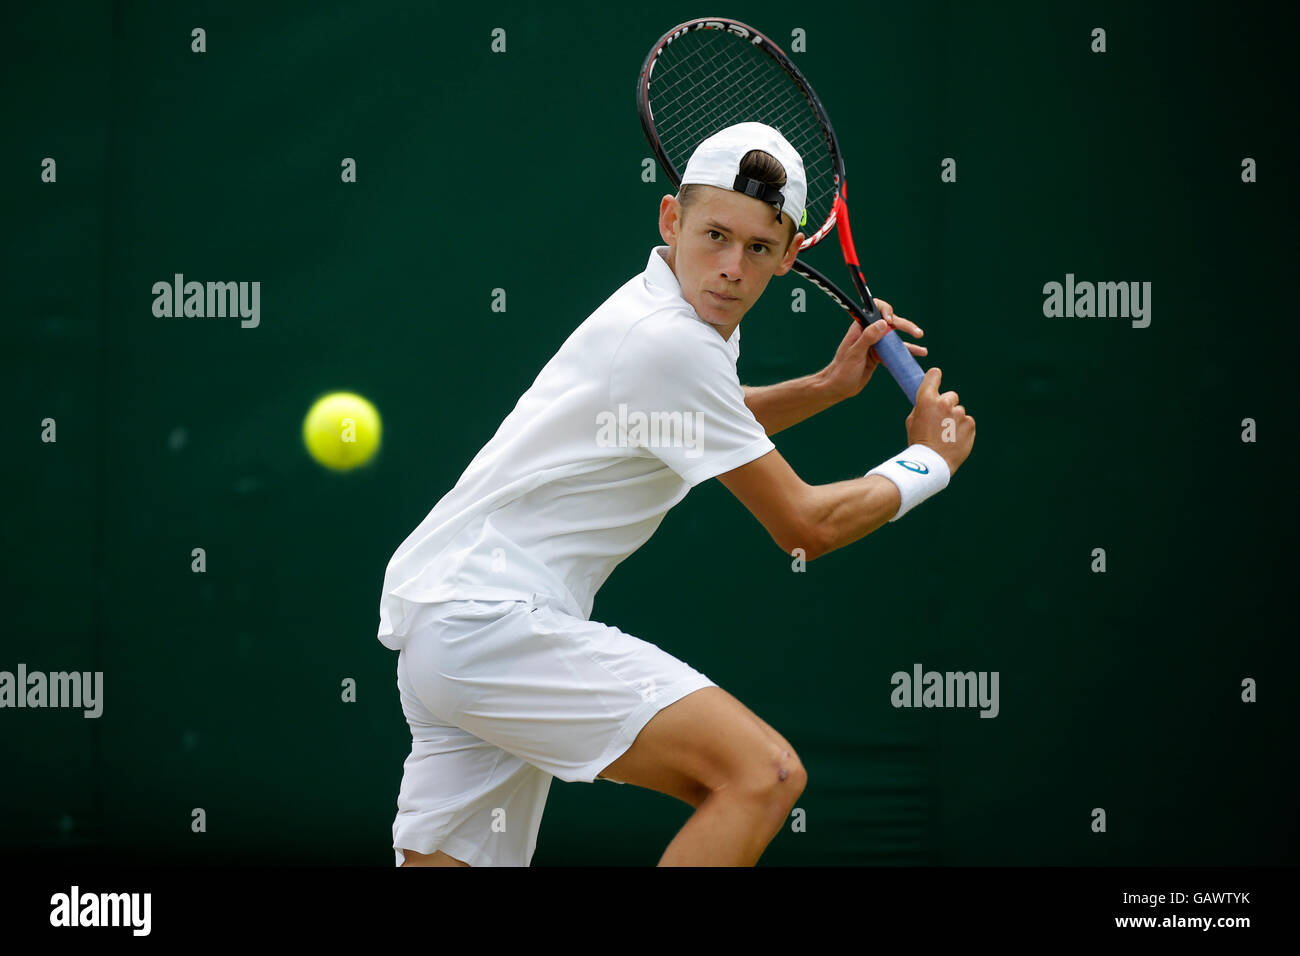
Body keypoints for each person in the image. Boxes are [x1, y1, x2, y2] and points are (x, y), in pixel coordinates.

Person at [376, 122, 975, 867]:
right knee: (762, 775)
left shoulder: (661, 317)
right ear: (671, 220)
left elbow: (695, 419)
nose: (731, 267)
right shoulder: (673, 341)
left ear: (790, 255)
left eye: (758, 248)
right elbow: (805, 528)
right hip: (494, 628)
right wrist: (928, 462)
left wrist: (824, 388)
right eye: (715, 235)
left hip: (448, 640)